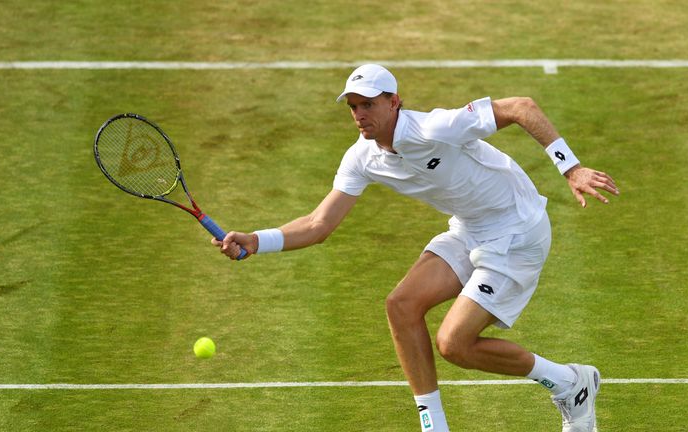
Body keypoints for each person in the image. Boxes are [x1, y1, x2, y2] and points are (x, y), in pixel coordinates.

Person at [214, 64, 618, 432]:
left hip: (517, 231)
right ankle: (434, 427)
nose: (359, 114)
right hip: (470, 227)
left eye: (368, 104)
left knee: (454, 345)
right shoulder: (361, 158)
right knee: (401, 305)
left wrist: (571, 167)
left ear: (394, 103)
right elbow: (319, 225)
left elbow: (521, 107)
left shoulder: (435, 128)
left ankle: (570, 382)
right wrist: (256, 240)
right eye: (353, 106)